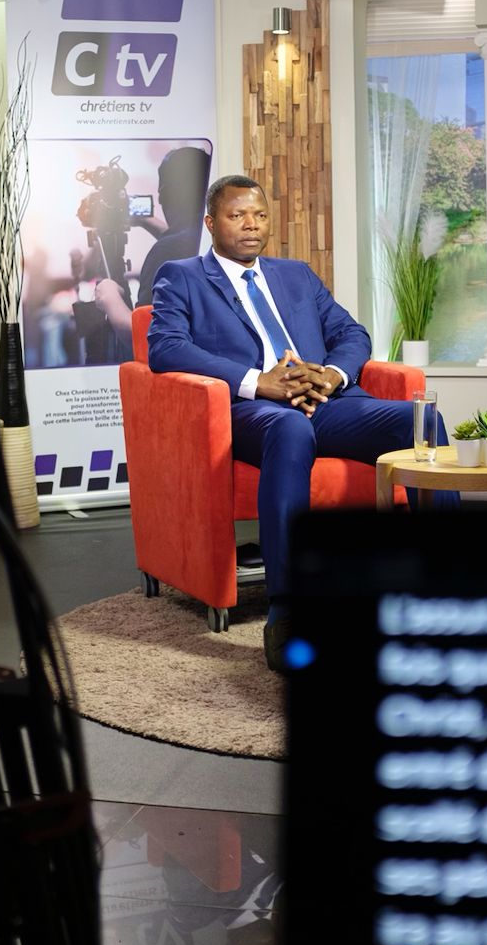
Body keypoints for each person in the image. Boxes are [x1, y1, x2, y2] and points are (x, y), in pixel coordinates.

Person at [148, 174, 457, 672]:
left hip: (325, 402)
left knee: (421, 420)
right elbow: (164, 348)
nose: (251, 225)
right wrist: (257, 381)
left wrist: (331, 375)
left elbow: (350, 332)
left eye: (260, 215)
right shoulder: (181, 276)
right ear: (210, 223)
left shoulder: (296, 274)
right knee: (289, 429)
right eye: (237, 215)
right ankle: (287, 609)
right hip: (251, 411)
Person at [91, 143, 212, 351]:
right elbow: (186, 239)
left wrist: (108, 296)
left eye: (161, 192)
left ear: (165, 194)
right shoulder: (210, 238)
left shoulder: (168, 251)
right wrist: (147, 220)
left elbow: (144, 338)